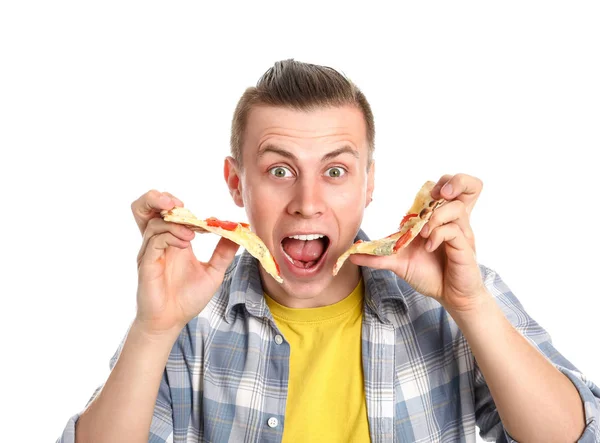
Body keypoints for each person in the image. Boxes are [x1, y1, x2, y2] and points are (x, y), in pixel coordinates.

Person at [58, 60, 600, 443]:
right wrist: (153, 331)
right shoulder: (189, 320)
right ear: (236, 183)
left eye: (336, 171)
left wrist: (471, 306)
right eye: (279, 171)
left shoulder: (452, 293)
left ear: (369, 183)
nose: (308, 203)